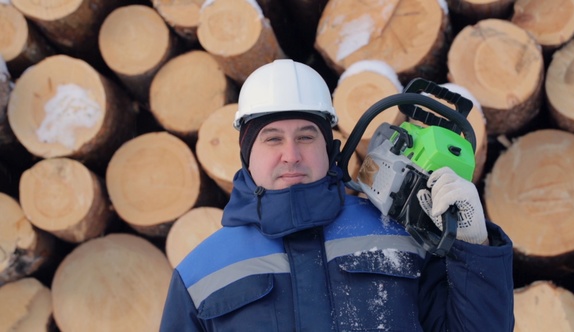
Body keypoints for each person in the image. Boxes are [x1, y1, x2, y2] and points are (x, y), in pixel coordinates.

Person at [159, 59, 514, 331]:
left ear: (329, 147)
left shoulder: (401, 233)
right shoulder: (199, 276)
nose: (291, 154)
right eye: (272, 138)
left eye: (306, 136)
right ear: (246, 153)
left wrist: (472, 246)